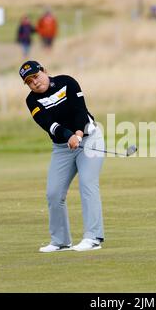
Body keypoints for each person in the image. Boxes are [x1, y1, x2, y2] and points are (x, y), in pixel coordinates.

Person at [19, 60, 105, 252]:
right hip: (62, 146)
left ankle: (93, 238)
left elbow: (80, 111)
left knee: (87, 184)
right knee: (54, 193)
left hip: (90, 140)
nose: (35, 82)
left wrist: (79, 135)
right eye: (29, 81)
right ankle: (61, 241)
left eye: (36, 76)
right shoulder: (31, 101)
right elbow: (49, 125)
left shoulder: (67, 82)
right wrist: (69, 137)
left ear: (44, 71)